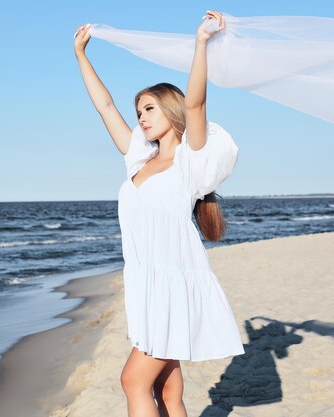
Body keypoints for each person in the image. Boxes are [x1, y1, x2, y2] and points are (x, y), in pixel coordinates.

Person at [74, 11, 245, 417]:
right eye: (140, 113)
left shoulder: (190, 161)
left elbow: (197, 101)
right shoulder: (137, 159)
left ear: (171, 110)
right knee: (167, 392)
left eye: (149, 109)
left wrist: (201, 42)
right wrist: (81, 54)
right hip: (147, 286)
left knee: (132, 381)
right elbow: (104, 106)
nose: (142, 118)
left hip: (174, 286)